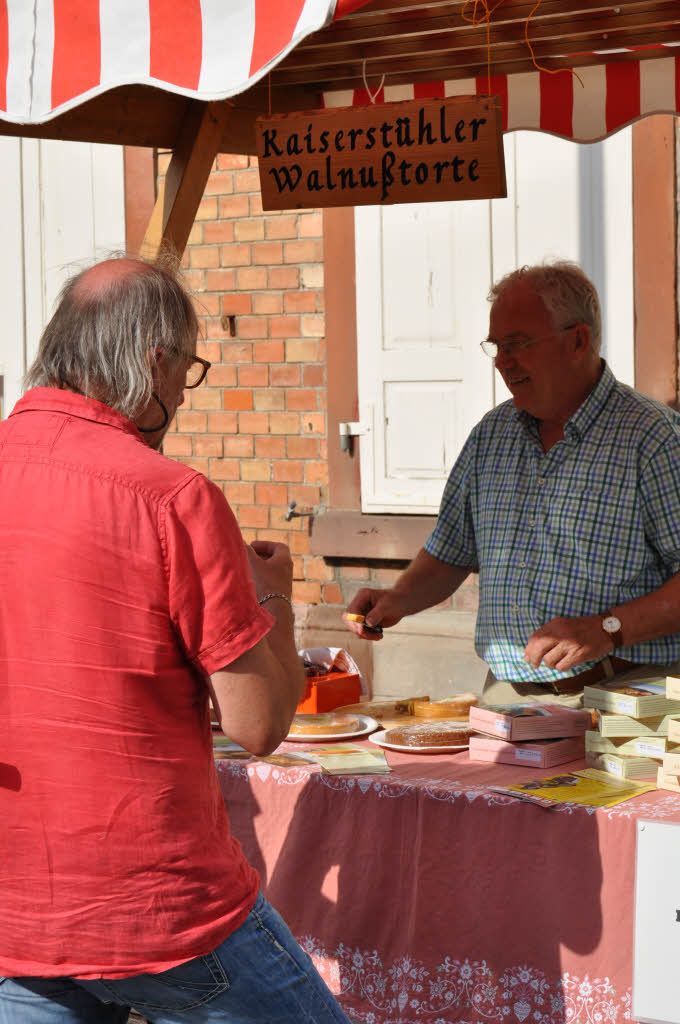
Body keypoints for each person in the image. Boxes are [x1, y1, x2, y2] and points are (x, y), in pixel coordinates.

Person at [0, 255, 351, 1024]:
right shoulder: (170, 496)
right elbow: (259, 726)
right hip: (158, 907)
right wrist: (275, 601)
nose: (182, 395)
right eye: (187, 369)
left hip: (16, 907)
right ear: (154, 361)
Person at [345, 261, 680, 706]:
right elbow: (450, 553)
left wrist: (607, 629)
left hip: (626, 698)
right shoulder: (492, 435)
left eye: (518, 343)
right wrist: (398, 599)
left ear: (578, 341)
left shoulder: (652, 439)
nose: (503, 361)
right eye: (497, 346)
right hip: (505, 697)